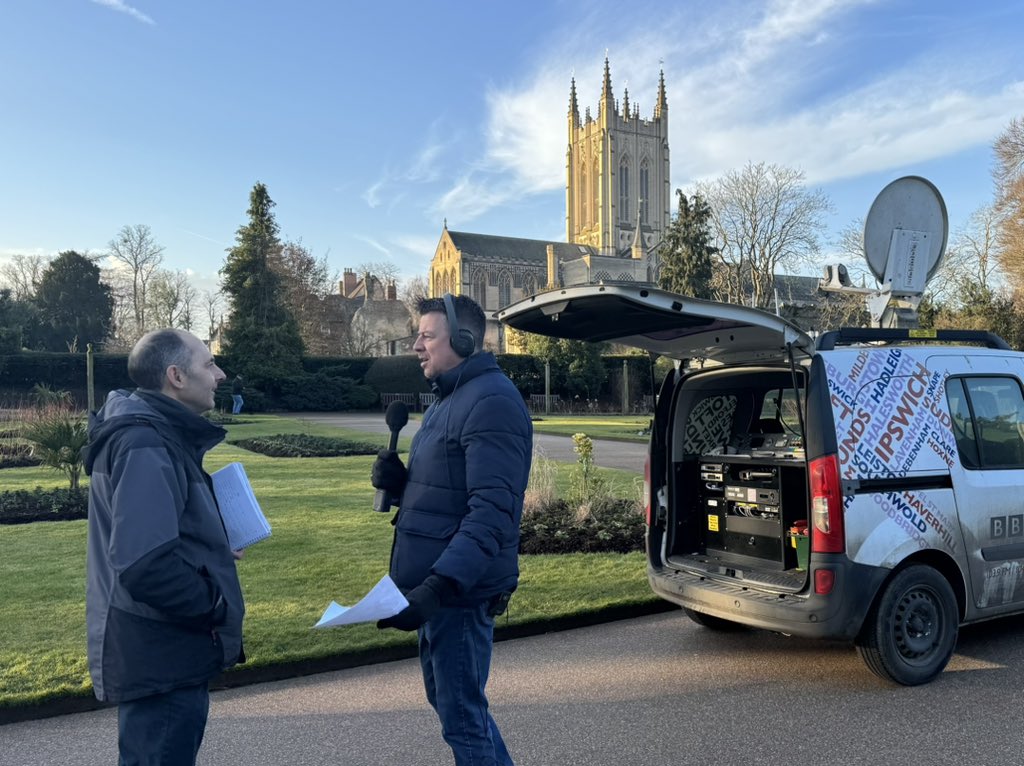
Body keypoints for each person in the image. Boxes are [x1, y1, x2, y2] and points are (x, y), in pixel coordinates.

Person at [371, 294, 532, 766]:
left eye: (427, 336)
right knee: (453, 708)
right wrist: (401, 485)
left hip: (458, 592)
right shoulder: (449, 399)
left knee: (462, 716)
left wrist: (438, 588)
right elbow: (448, 493)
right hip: (439, 588)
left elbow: (492, 511)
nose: (417, 346)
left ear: (463, 339)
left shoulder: (492, 402)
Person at [83, 329, 246, 766]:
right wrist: (214, 603)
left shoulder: (150, 432)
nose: (220, 373)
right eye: (209, 363)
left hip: (156, 648)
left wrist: (208, 548)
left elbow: (150, 535)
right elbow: (143, 564)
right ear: (176, 376)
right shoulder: (147, 441)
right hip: (162, 652)